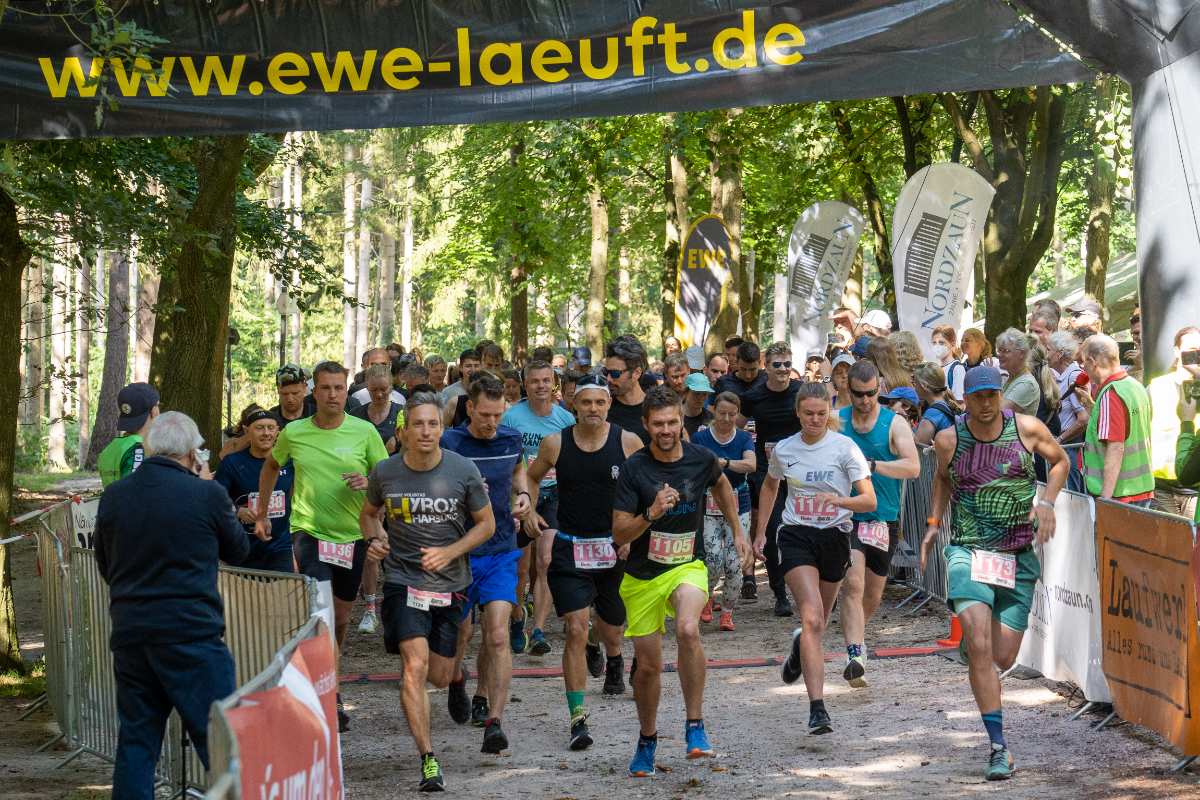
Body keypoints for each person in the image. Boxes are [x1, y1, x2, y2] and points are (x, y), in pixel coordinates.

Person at [920, 365, 1068, 780]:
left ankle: (976, 652)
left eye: (992, 396)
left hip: (1018, 556)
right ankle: (998, 747)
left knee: (1000, 655)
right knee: (982, 645)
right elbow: (942, 480)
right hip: (969, 551)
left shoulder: (1027, 428)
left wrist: (1048, 503)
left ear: (1001, 395)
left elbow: (1059, 462)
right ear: (964, 399)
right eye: (977, 397)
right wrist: (933, 527)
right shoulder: (950, 439)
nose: (985, 404)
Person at [95, 411, 249, 798]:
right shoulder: (207, 493)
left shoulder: (115, 495)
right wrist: (209, 485)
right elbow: (239, 550)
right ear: (193, 453)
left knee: (136, 743)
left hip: (132, 632)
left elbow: (104, 562)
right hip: (191, 633)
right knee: (220, 741)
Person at [359, 392, 496, 792]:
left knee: (436, 675)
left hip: (451, 585)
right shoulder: (385, 472)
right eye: (418, 424)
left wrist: (449, 552)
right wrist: (376, 538)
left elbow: (486, 524)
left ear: (442, 428)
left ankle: (455, 678)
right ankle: (428, 759)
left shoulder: (462, 469)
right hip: (403, 581)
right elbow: (369, 515)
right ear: (402, 432)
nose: (426, 431)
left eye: (433, 424)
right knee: (414, 667)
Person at [612, 386, 751, 776]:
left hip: (687, 565)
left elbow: (722, 484)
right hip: (642, 576)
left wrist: (738, 530)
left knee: (689, 628)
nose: (667, 429)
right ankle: (647, 738)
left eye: (673, 422)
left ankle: (695, 725)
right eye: (658, 424)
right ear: (646, 425)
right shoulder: (634, 470)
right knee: (648, 669)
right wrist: (652, 513)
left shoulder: (701, 459)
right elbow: (620, 534)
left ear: (681, 421)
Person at [255, 360, 389, 732]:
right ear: (314, 391)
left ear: (347, 391)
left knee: (341, 620)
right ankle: (327, 695)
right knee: (322, 615)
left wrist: (369, 483)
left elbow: (388, 477)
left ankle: (330, 676)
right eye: (326, 388)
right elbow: (270, 467)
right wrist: (263, 513)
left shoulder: (364, 432)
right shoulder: (294, 432)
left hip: (351, 535)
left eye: (339, 388)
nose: (333, 395)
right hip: (308, 533)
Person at [526, 374, 644, 749]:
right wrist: (528, 508)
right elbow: (530, 478)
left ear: (609, 405)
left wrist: (632, 534)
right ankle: (578, 717)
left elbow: (645, 488)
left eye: (600, 403)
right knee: (575, 626)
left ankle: (610, 653)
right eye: (586, 403)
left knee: (613, 626)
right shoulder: (555, 442)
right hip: (570, 546)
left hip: (614, 547)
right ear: (574, 404)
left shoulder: (627, 441)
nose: (593, 409)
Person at [758, 381, 876, 734]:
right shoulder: (785, 449)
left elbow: (868, 500)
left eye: (821, 414)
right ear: (797, 413)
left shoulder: (844, 448)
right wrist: (760, 532)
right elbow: (769, 485)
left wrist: (840, 502)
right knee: (811, 618)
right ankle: (818, 708)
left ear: (830, 412)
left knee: (818, 623)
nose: (814, 420)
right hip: (796, 536)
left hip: (835, 538)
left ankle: (799, 649)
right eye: (808, 414)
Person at [443, 374, 531, 752]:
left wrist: (524, 493)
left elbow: (518, 468)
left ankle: (494, 719)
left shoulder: (510, 439)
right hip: (458, 553)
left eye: (498, 415)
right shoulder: (449, 443)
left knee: (496, 634)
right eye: (485, 415)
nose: (492, 423)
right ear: (470, 408)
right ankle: (458, 679)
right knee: (463, 633)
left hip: (500, 551)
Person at [835, 362, 920, 686]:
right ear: (849, 391)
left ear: (879, 388)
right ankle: (854, 653)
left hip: (884, 517)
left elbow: (913, 467)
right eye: (859, 394)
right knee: (853, 585)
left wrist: (872, 466)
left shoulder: (894, 423)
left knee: (872, 593)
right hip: (848, 516)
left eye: (872, 393)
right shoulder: (837, 421)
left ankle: (857, 637)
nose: (866, 400)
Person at [505, 360, 577, 656]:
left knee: (545, 561)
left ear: (554, 384)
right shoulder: (511, 418)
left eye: (546, 380)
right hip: (521, 495)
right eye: (534, 381)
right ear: (526, 384)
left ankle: (538, 630)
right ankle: (517, 616)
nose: (541, 386)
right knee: (521, 568)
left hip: (554, 494)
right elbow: (505, 461)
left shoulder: (565, 419)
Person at [741, 342, 804, 617]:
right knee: (772, 530)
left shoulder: (800, 392)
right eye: (777, 364)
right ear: (766, 367)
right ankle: (780, 594)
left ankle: (816, 587)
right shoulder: (754, 396)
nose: (783, 370)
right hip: (767, 472)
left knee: (806, 528)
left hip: (801, 470)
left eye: (787, 364)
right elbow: (737, 428)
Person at [692, 391, 755, 630]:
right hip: (708, 503)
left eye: (732, 414)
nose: (727, 418)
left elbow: (752, 464)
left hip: (740, 504)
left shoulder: (743, 438)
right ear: (713, 411)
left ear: (738, 414)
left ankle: (728, 611)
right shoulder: (700, 438)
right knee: (713, 559)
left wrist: (724, 463)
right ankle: (707, 598)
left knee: (734, 562)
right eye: (722, 413)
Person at [214, 406, 294, 573]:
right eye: (259, 428)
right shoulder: (232, 463)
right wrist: (237, 510)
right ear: (247, 431)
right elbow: (216, 499)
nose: (266, 433)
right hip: (242, 546)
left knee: (280, 596)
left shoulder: (289, 462)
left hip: (279, 546)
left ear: (278, 432)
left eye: (271, 428)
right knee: (245, 598)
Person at [1079, 334, 1155, 505]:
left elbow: (1115, 447)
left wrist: (1106, 499)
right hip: (1140, 489)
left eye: (1084, 362)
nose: (1083, 368)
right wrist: (1090, 406)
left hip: (1119, 495)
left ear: (1093, 361)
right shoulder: (1134, 386)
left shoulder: (1111, 394)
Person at [1148, 326, 1200, 517]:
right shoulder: (1156, 386)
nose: (1195, 354)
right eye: (1190, 349)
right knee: (1166, 545)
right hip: (1161, 486)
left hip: (1193, 487)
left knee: (1193, 543)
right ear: (1176, 351)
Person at [98, 382, 160, 486]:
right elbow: (135, 491)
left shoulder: (110, 448)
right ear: (154, 411)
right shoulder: (139, 448)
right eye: (158, 405)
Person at [605, 336, 651, 444]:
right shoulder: (603, 408)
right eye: (606, 372)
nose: (608, 379)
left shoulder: (656, 408)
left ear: (636, 373)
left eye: (615, 373)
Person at [350, 364, 405, 454]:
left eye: (383, 389)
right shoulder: (355, 415)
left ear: (391, 388)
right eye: (374, 390)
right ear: (367, 388)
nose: (379, 394)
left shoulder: (402, 413)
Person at [1047, 331, 1089, 445]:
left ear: (1059, 354)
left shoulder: (1074, 377)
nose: (1046, 355)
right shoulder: (1060, 376)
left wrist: (1059, 440)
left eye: (1048, 350)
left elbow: (1084, 419)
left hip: (1069, 447)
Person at [913, 363, 962, 446]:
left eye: (916, 383)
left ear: (924, 386)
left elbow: (917, 447)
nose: (914, 387)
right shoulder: (947, 403)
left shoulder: (932, 413)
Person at [996, 329, 1039, 416]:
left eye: (1005, 351)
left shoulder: (1027, 384)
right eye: (999, 350)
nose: (999, 355)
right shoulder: (1011, 378)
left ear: (1021, 353)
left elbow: (998, 415)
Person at [931, 325, 966, 401]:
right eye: (934, 343)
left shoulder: (957, 368)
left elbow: (960, 404)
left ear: (952, 343)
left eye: (941, 343)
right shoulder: (936, 369)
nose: (937, 346)